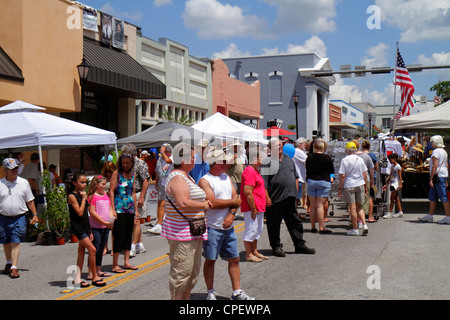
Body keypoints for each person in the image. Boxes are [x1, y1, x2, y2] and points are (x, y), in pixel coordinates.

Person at [198, 148, 254, 300]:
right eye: (224, 161)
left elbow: (236, 199)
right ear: (215, 163)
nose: (227, 164)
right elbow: (213, 203)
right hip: (212, 227)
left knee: (234, 258)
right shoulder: (205, 180)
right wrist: (233, 202)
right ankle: (210, 292)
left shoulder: (226, 177)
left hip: (228, 227)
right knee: (210, 260)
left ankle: (237, 292)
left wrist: (231, 213)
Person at [161, 143, 212, 300]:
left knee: (190, 275)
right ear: (182, 160)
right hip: (182, 235)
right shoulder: (178, 178)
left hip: (191, 232)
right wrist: (203, 205)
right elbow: (183, 202)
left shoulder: (185, 176)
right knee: (181, 275)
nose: (194, 159)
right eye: (191, 156)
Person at [260, 138, 315, 257]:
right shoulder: (267, 162)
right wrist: (267, 198)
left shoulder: (288, 159)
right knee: (274, 224)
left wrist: (295, 192)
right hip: (276, 198)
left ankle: (299, 245)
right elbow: (263, 183)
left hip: (290, 196)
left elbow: (295, 176)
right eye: (276, 146)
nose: (279, 147)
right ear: (270, 148)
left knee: (294, 222)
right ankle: (276, 246)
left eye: (280, 145)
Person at [0, 158, 39, 278]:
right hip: (3, 217)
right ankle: (8, 262)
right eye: (12, 169)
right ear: (5, 170)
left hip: (19, 217)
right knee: (6, 242)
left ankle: (14, 267)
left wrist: (35, 215)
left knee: (15, 242)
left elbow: (30, 201)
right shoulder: (0, 183)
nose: (15, 170)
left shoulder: (23, 183)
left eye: (17, 168)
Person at [67, 173, 106, 287]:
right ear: (75, 183)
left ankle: (77, 278)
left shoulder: (82, 195)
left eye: (85, 182)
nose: (84, 185)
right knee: (92, 250)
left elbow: (86, 213)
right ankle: (94, 276)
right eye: (82, 182)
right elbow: (79, 212)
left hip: (85, 227)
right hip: (78, 228)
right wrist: (84, 199)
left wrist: (89, 230)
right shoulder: (72, 196)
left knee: (81, 252)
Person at [109, 152, 139, 273]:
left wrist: (136, 209)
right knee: (118, 235)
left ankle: (126, 262)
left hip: (130, 208)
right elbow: (111, 191)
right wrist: (112, 208)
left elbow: (132, 192)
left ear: (131, 163)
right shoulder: (117, 174)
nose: (125, 165)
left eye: (127, 163)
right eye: (123, 163)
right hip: (119, 207)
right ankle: (115, 264)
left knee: (128, 235)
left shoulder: (133, 175)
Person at [240, 143, 267, 262]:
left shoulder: (255, 170)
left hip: (259, 205)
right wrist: (253, 207)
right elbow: (248, 192)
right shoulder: (250, 171)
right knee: (251, 229)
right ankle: (249, 253)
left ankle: (254, 250)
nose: (262, 158)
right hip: (253, 206)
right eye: (260, 156)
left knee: (257, 229)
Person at [121, 144, 149, 257]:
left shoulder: (140, 163)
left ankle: (132, 246)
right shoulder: (126, 164)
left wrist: (142, 197)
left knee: (135, 221)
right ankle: (139, 244)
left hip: (137, 193)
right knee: (133, 222)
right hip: (127, 195)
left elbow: (146, 181)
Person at [86, 175, 114, 280]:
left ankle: (98, 269)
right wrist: (103, 222)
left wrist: (110, 219)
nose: (104, 186)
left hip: (105, 226)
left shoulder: (105, 195)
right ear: (96, 184)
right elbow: (92, 212)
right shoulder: (92, 197)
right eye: (102, 184)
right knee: (94, 249)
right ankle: (90, 271)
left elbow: (110, 208)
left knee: (101, 249)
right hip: (96, 226)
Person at [338, 142, 369, 236]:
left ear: (347, 149)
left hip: (349, 185)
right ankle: (364, 225)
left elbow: (342, 175)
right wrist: (365, 186)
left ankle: (355, 229)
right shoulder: (360, 159)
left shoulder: (344, 160)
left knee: (352, 207)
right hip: (360, 184)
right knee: (359, 206)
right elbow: (364, 175)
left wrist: (340, 188)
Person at [305, 139, 335, 234]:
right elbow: (331, 171)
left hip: (311, 181)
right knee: (320, 206)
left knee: (313, 206)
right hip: (324, 181)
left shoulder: (309, 157)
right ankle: (321, 227)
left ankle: (313, 227)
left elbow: (307, 168)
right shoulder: (327, 158)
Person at [419, 135, 450, 224]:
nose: (431, 143)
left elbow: (435, 166)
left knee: (443, 197)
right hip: (442, 175)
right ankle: (430, 215)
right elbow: (446, 166)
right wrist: (446, 178)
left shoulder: (436, 152)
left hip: (438, 176)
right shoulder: (444, 152)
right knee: (433, 196)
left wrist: (431, 178)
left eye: (432, 141)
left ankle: (448, 217)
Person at [147, 143, 173, 235]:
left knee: (169, 204)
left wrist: (162, 152)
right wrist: (157, 180)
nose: (162, 154)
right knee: (160, 203)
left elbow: (168, 161)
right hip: (162, 183)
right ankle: (159, 223)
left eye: (165, 152)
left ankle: (165, 223)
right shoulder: (161, 159)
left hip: (171, 184)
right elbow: (158, 170)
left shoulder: (172, 157)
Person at [355, 140, 375, 221]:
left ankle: (356, 219)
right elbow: (373, 168)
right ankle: (369, 217)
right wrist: (372, 179)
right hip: (366, 178)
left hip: (355, 179)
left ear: (362, 146)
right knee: (367, 198)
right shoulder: (371, 156)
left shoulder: (351, 156)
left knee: (355, 201)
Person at [101, 160, 116, 255]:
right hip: (104, 205)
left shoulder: (116, 178)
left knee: (113, 227)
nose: (109, 173)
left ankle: (114, 248)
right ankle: (105, 247)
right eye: (107, 171)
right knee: (105, 227)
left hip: (113, 204)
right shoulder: (102, 179)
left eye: (110, 171)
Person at [382, 153, 404, 218]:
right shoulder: (392, 166)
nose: (390, 161)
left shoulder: (398, 166)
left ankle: (389, 212)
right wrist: (386, 184)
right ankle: (400, 211)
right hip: (392, 182)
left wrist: (400, 184)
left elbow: (400, 176)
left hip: (396, 183)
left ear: (394, 159)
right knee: (396, 198)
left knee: (392, 198)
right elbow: (390, 175)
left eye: (391, 160)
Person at [292, 138, 307, 210]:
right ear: (301, 144)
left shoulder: (294, 151)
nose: (305, 146)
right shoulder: (299, 152)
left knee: (296, 198)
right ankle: (295, 214)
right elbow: (308, 160)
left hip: (297, 176)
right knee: (297, 197)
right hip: (299, 177)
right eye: (305, 144)